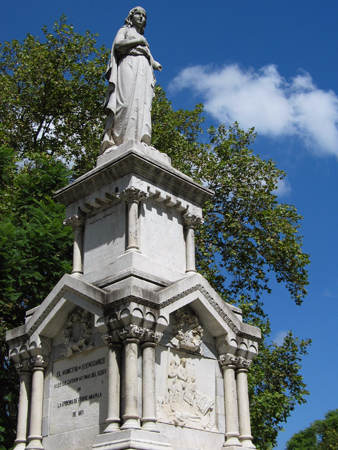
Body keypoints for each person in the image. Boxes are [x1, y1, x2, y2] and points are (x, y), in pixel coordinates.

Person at [101, 7, 162, 154]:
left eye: (144, 16)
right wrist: (138, 40)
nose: (141, 17)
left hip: (143, 69)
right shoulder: (125, 30)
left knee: (142, 104)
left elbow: (148, 55)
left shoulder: (143, 40)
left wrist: (154, 63)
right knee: (126, 101)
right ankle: (120, 140)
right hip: (128, 64)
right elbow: (118, 45)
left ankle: (140, 139)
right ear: (131, 16)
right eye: (138, 14)